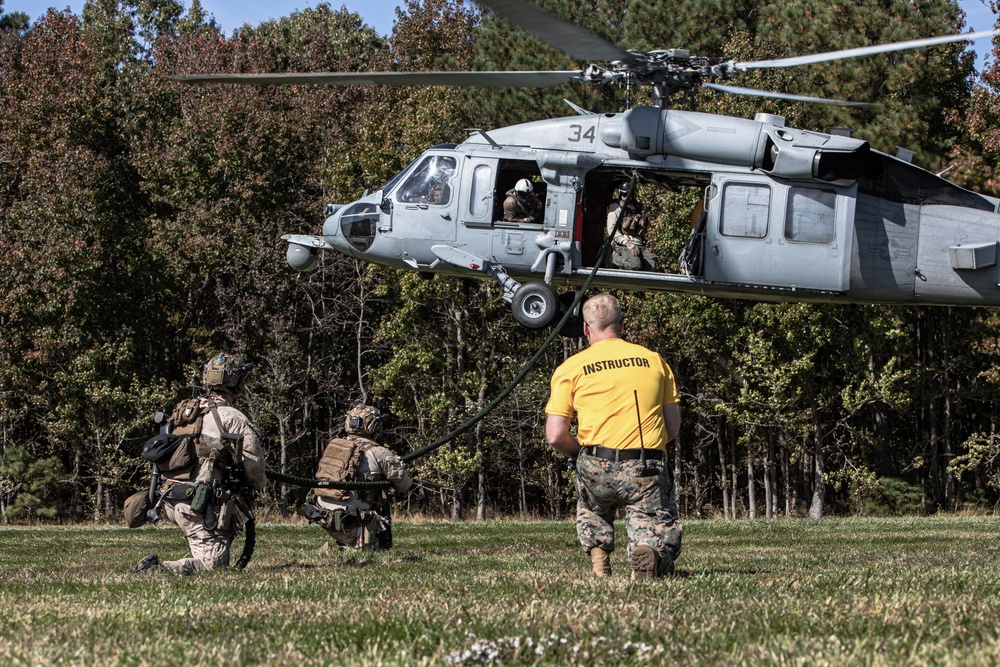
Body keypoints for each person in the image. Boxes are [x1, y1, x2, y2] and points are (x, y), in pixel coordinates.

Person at [544, 293, 682, 579]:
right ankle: (649, 551)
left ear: (585, 328)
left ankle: (598, 559)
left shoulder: (571, 367)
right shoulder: (654, 361)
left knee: (593, 508)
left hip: (596, 462)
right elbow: (673, 426)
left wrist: (579, 456)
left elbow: (556, 435)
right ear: (621, 324)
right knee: (652, 518)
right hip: (645, 462)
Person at [128, 353, 266, 575]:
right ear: (236, 384)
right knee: (213, 567)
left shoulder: (184, 412)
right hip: (199, 505)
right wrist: (257, 485)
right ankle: (158, 570)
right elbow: (254, 467)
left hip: (171, 499)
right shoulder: (231, 417)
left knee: (209, 547)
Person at [301, 404, 412, 550]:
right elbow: (404, 485)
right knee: (376, 548)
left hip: (321, 514)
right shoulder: (380, 453)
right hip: (350, 519)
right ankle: (357, 544)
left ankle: (344, 543)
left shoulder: (335, 445)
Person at [606, 182, 657, 271]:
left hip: (638, 244)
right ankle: (614, 259)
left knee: (651, 267)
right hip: (623, 245)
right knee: (635, 265)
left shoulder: (635, 208)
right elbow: (612, 231)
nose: (626, 197)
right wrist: (627, 243)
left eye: (629, 195)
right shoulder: (615, 209)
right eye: (624, 195)